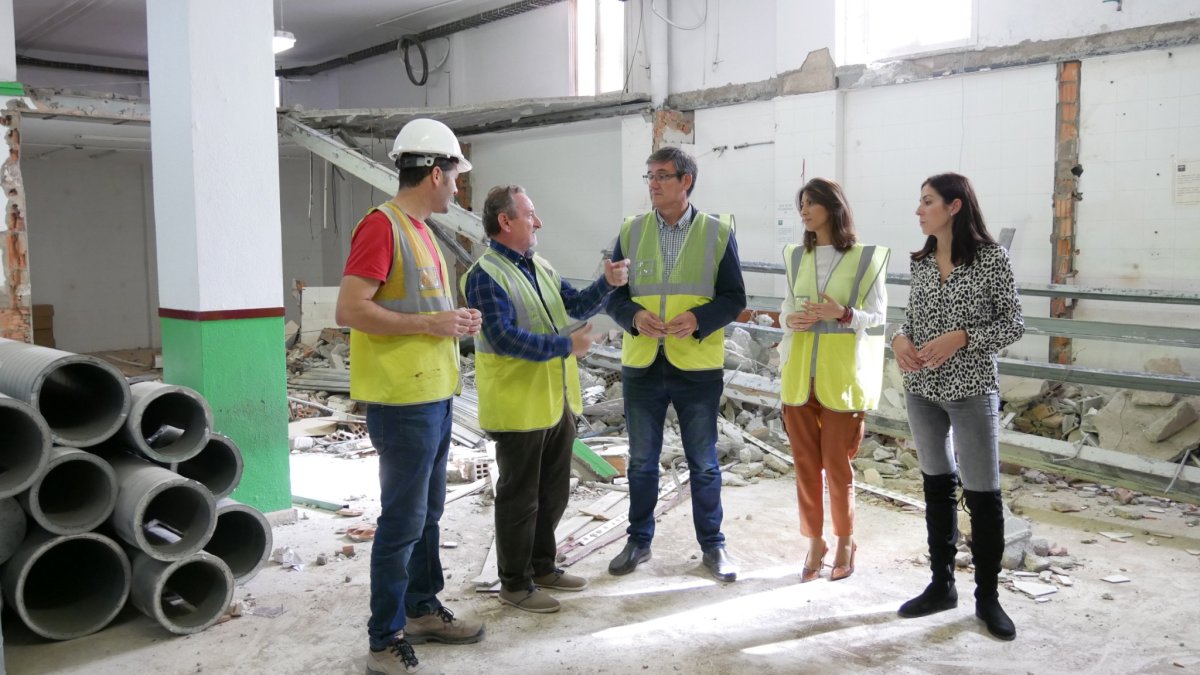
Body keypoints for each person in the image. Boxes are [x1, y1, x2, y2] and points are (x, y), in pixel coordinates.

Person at [336, 118, 486, 674]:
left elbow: (422, 311)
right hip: (402, 402)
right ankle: (384, 638)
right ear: (432, 172)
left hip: (435, 393)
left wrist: (453, 323)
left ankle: (422, 607)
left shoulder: (421, 230)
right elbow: (350, 309)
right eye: (454, 176)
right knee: (401, 522)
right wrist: (431, 325)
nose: (457, 187)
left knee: (428, 513)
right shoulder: (382, 226)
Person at [463, 185, 629, 613]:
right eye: (530, 214)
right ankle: (514, 583)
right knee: (520, 498)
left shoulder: (539, 265)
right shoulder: (484, 275)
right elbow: (500, 336)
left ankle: (542, 565)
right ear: (506, 221)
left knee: (553, 492)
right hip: (517, 407)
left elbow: (573, 304)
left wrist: (607, 284)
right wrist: (562, 348)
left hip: (555, 402)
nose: (538, 222)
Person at [604, 146, 747, 582]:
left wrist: (699, 319)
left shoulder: (717, 231)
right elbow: (612, 293)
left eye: (662, 176)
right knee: (642, 460)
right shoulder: (631, 231)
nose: (653, 184)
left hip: (696, 367)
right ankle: (638, 541)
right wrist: (633, 317)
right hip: (644, 365)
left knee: (703, 462)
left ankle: (713, 546)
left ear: (686, 181)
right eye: (649, 176)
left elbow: (735, 297)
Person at [892, 172, 1024, 641]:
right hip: (922, 388)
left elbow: (1013, 325)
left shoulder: (991, 260)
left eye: (926, 201)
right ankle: (941, 585)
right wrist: (899, 338)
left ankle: (987, 597)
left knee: (983, 493)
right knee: (935, 485)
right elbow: (910, 319)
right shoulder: (923, 262)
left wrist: (964, 337)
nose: (919, 209)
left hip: (971, 389)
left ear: (953, 206)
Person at [778, 178, 889, 583]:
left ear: (833, 206)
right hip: (797, 379)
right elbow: (785, 310)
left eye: (811, 203)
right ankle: (815, 542)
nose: (804, 211)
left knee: (838, 468)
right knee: (806, 466)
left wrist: (842, 314)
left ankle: (844, 541)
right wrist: (794, 319)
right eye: (801, 204)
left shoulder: (865, 258)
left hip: (842, 379)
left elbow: (877, 318)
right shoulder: (794, 256)